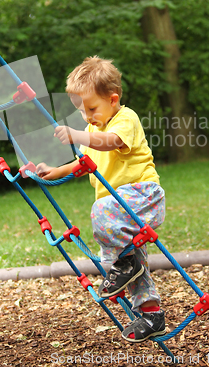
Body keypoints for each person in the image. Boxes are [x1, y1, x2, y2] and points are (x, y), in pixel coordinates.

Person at [36, 56, 166, 342]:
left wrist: (76, 134)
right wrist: (53, 170)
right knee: (129, 269)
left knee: (101, 211)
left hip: (142, 196)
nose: (87, 117)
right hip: (120, 211)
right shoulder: (93, 130)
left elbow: (112, 142)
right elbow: (83, 163)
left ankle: (126, 263)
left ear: (113, 99)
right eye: (80, 112)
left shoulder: (125, 119)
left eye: (91, 108)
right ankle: (152, 314)